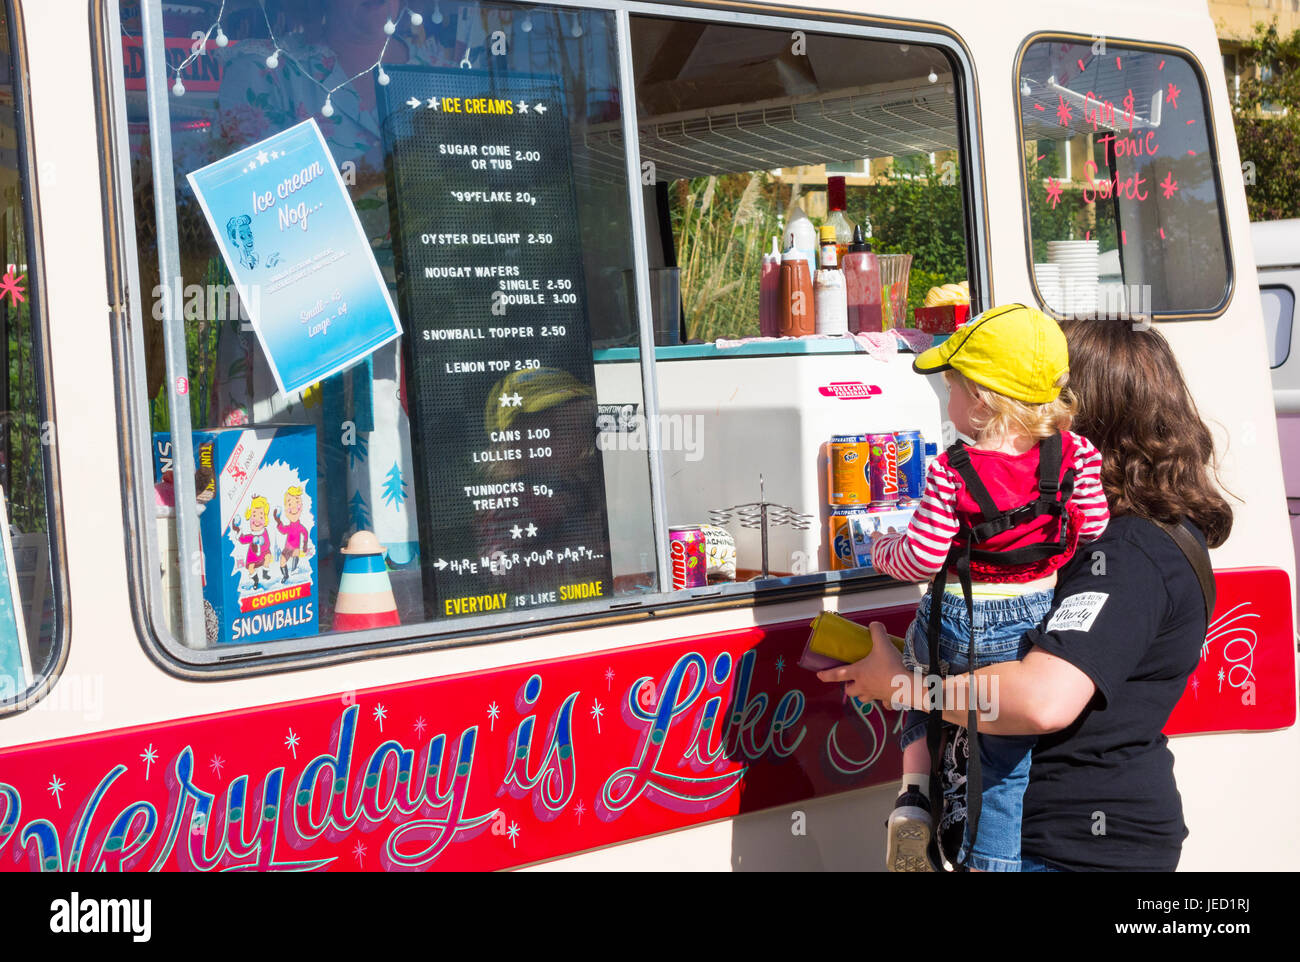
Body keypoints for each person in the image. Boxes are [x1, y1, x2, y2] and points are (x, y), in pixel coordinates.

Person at [821, 317, 1231, 871]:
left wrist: (905, 687)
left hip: (1071, 849)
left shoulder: (1131, 553)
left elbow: (1041, 701)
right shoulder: (1093, 530)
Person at [867, 304, 1110, 872]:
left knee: (918, 681)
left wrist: (881, 549)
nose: (947, 398)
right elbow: (1095, 527)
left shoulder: (950, 470)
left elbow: (920, 558)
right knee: (1002, 761)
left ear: (980, 399)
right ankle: (990, 861)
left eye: (950, 386)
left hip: (955, 621)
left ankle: (913, 795)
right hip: (1028, 625)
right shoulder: (1076, 453)